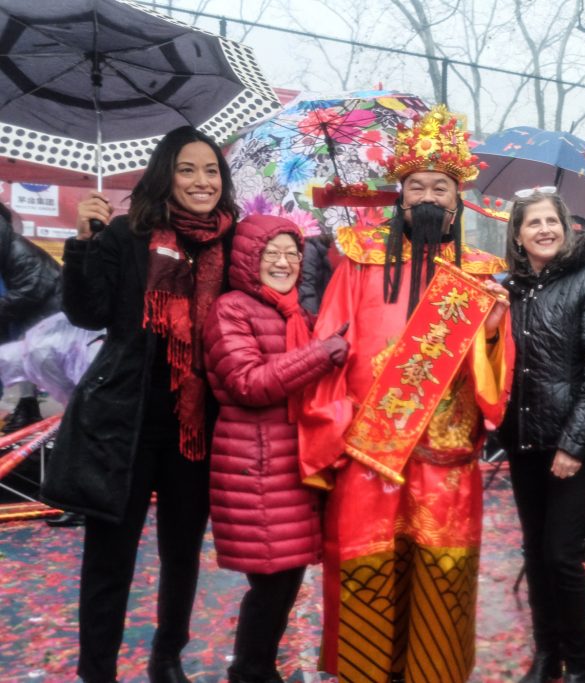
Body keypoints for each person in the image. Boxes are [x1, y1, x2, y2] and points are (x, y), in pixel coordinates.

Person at [298, 104, 512, 683]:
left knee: (442, 565)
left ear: (457, 197)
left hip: (446, 451)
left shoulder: (477, 273)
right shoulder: (361, 261)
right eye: (415, 184)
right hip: (371, 451)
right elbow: (329, 348)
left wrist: (491, 334)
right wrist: (334, 430)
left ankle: (435, 673)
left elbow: (497, 374)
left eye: (439, 186)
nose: (427, 196)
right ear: (399, 194)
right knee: (369, 563)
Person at [40, 126, 238, 683]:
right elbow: (88, 313)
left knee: (182, 552)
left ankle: (167, 654)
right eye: (187, 169)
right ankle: (95, 670)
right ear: (165, 175)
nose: (202, 181)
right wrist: (82, 244)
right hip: (121, 422)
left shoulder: (231, 241)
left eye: (211, 171)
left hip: (195, 425)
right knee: (110, 557)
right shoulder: (127, 235)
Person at [203, 214, 351, 683]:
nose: (284, 263)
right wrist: (321, 352)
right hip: (255, 465)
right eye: (272, 254)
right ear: (249, 259)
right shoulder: (231, 309)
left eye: (292, 253)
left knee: (285, 579)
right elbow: (247, 383)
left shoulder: (295, 315)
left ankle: (256, 667)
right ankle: (251, 670)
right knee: (271, 582)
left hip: (290, 465)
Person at [497, 190, 585, 683]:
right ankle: (547, 654)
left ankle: (580, 662)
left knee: (561, 556)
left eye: (553, 220)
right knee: (534, 550)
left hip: (577, 443)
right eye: (534, 223)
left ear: (566, 227)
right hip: (526, 439)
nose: (545, 229)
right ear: (518, 234)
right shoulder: (509, 289)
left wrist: (573, 445)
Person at [0, 202, 62, 433]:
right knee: (24, 357)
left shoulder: (18, 251)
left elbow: (34, 287)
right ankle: (28, 407)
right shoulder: (10, 250)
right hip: (37, 313)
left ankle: (33, 409)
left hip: (52, 312)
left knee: (43, 362)